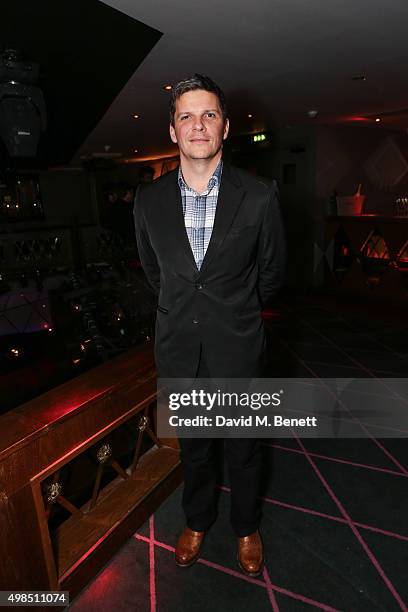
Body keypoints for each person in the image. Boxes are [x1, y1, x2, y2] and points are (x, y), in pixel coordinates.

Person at [134, 74, 286, 577]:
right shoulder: (147, 201)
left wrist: (235, 314)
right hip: (181, 351)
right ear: (173, 131)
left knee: (244, 451)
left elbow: (271, 275)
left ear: (225, 125)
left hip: (239, 348)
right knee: (195, 452)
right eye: (186, 116)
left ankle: (246, 527)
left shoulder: (261, 195)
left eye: (208, 115)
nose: (198, 125)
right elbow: (155, 275)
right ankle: (197, 520)